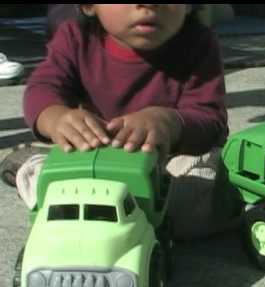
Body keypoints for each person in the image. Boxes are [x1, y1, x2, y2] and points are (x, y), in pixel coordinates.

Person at [2, 4, 241, 240]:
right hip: (98, 153)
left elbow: (211, 120)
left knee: (195, 195)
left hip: (171, 159)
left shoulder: (198, 42)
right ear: (88, 6)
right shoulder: (76, 38)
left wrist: (170, 122)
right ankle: (29, 164)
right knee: (51, 187)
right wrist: (56, 117)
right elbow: (43, 87)